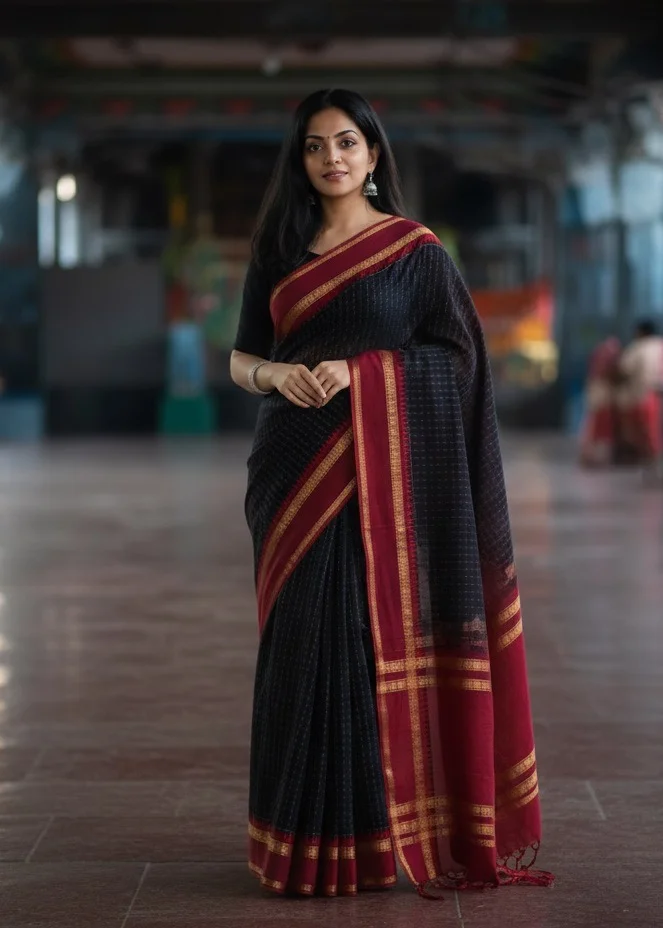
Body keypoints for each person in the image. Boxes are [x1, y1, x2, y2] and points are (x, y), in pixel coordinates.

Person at [230, 89, 552, 900]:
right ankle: (295, 842)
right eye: (314, 145)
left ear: (373, 155)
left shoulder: (413, 253)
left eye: (346, 142)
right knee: (298, 649)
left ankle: (371, 845)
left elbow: (458, 362)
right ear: (299, 159)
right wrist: (276, 374)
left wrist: (361, 373)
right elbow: (242, 356)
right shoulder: (280, 247)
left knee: (362, 646)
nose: (330, 158)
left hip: (379, 481)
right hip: (290, 470)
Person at [615, 320, 663, 469]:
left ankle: (652, 460)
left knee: (648, 431)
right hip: (658, 392)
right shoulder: (660, 344)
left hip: (646, 395)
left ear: (640, 332)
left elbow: (624, 370)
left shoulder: (638, 347)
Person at [579, 336, 621, 468]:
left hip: (597, 391)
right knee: (598, 424)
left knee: (595, 424)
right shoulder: (607, 356)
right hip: (600, 392)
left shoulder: (600, 355)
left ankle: (591, 454)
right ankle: (593, 455)